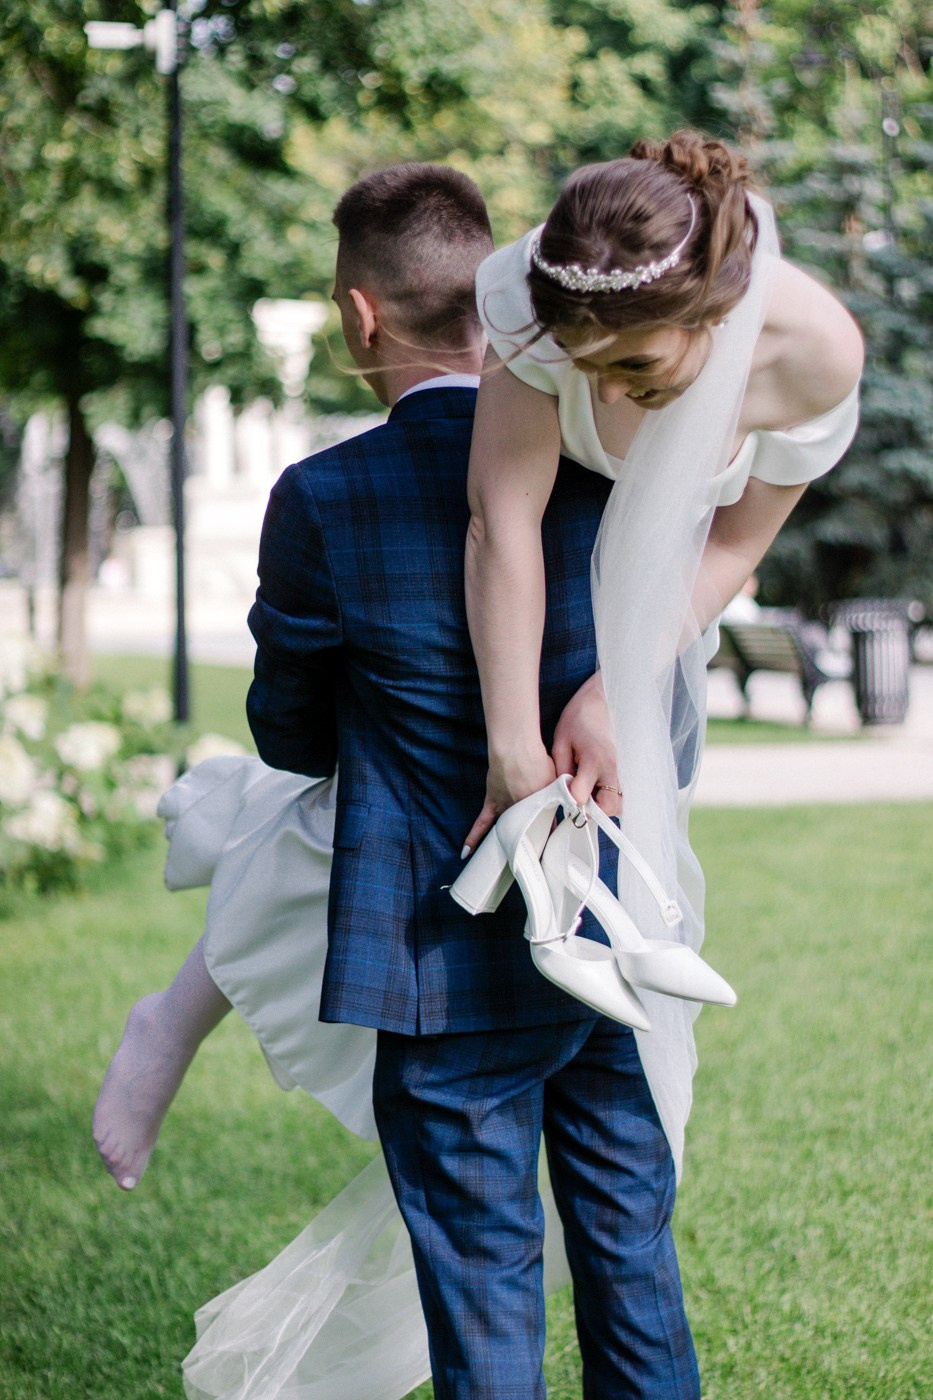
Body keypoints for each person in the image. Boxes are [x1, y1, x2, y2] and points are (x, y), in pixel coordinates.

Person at [96, 162, 701, 1398]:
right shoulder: (613, 457)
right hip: (603, 937)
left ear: (360, 316)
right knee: (631, 1263)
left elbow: (290, 735)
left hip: (438, 957)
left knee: (483, 1287)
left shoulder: (322, 496)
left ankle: (174, 1013)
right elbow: (660, 715)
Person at [463, 130, 863, 1172]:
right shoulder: (529, 289)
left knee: (626, 851)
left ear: (714, 316)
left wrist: (618, 684)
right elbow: (502, 518)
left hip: (669, 592)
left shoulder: (815, 357)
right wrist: (511, 746)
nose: (600, 391)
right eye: (577, 363)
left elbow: (732, 544)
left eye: (633, 363)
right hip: (527, 571)